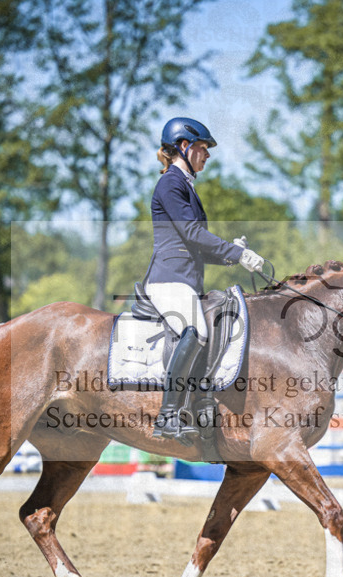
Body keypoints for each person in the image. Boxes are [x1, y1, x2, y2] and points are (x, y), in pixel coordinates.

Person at [144, 116, 265, 443]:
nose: (207, 155)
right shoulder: (171, 183)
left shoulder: (184, 185)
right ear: (184, 147)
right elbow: (193, 233)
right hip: (168, 279)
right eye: (202, 148)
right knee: (194, 330)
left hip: (185, 279)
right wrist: (237, 254)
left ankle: (201, 402)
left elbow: (194, 243)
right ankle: (168, 417)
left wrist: (230, 254)